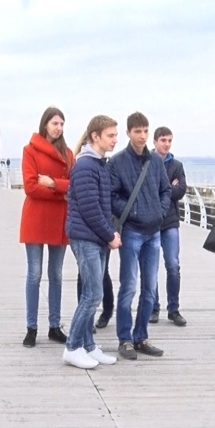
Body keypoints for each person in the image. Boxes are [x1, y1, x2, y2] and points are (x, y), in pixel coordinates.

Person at [108, 112, 169, 360]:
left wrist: (160, 212)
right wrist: (133, 211)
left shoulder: (155, 161)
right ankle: (125, 339)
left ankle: (141, 337)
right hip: (132, 232)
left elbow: (165, 190)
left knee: (150, 288)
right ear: (128, 133)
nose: (142, 136)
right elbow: (111, 196)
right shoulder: (117, 162)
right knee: (129, 286)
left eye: (145, 131)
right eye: (137, 131)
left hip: (154, 232)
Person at [64, 115, 123, 368]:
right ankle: (72, 347)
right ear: (95, 137)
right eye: (110, 135)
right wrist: (110, 235)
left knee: (91, 292)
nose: (115, 140)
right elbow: (90, 209)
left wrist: (107, 234)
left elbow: (102, 205)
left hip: (95, 237)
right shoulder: (86, 166)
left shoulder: (98, 164)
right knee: (93, 294)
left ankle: (88, 346)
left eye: (115, 135)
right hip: (85, 237)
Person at [20, 107, 72, 348]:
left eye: (61, 124)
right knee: (34, 273)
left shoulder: (68, 154)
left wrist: (52, 183)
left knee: (56, 275)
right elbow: (30, 187)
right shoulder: (30, 150)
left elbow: (72, 185)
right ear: (45, 125)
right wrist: (59, 192)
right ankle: (31, 328)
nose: (58, 128)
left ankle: (54, 326)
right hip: (36, 218)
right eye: (54, 123)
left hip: (59, 219)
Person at [149, 126, 187, 326]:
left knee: (173, 265)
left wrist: (162, 189)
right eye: (163, 140)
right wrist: (168, 187)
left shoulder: (177, 165)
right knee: (151, 266)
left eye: (169, 140)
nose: (167, 144)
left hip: (170, 221)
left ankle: (174, 309)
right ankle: (153, 308)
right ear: (155, 141)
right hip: (151, 222)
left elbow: (181, 191)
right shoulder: (147, 162)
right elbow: (146, 191)